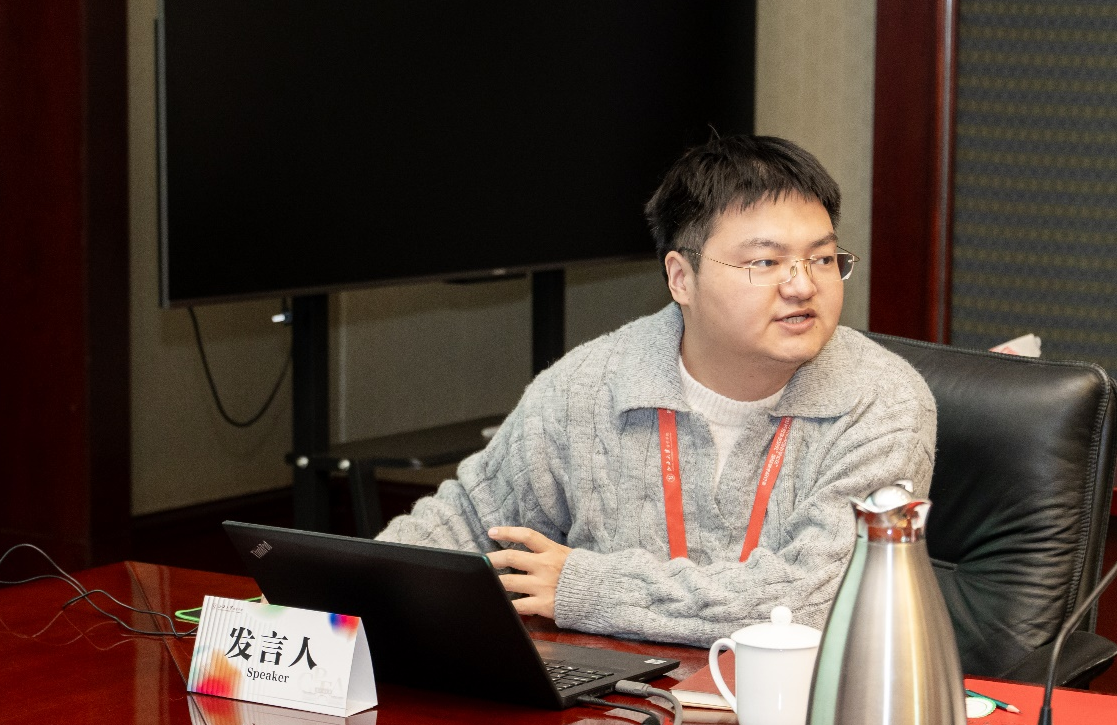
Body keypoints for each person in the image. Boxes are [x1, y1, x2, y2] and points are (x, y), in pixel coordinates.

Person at [378, 134, 936, 647]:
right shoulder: (587, 385)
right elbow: (465, 525)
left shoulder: (881, 402)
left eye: (821, 258)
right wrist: (352, 597)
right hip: (612, 703)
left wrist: (587, 587)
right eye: (766, 262)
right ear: (681, 278)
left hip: (798, 707)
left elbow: (818, 601)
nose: (803, 285)